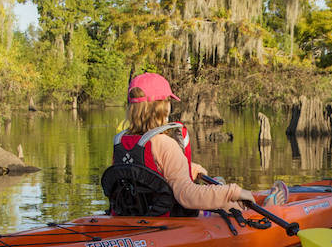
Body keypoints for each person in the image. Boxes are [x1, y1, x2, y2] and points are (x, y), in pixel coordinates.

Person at [108, 72, 256, 215]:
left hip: (133, 216)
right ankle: (266, 203)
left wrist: (190, 169)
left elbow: (147, 173)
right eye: (168, 101)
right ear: (162, 107)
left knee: (218, 189)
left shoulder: (120, 143)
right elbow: (187, 195)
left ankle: (221, 189)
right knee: (232, 205)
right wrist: (235, 191)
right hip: (167, 221)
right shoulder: (165, 144)